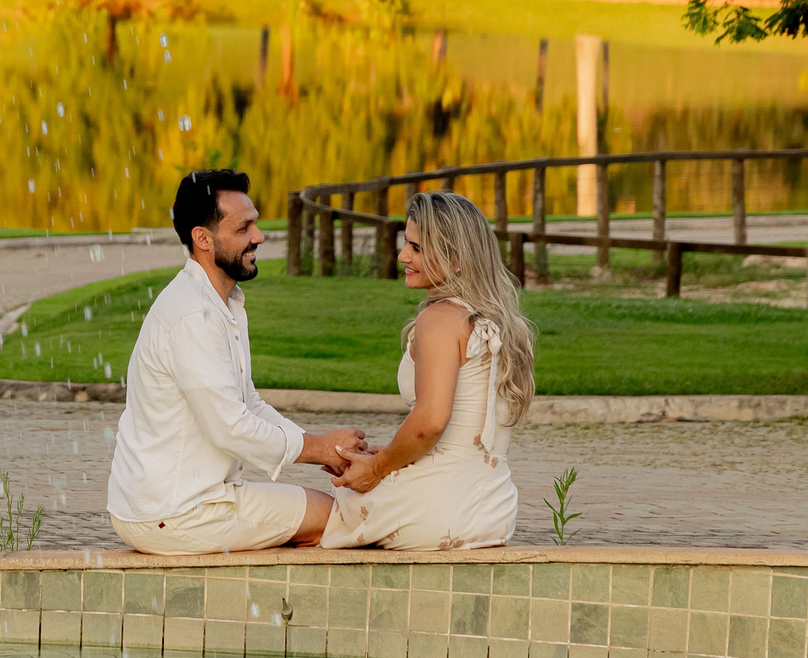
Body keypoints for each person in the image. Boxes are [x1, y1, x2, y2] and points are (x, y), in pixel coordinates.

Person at [105, 169, 365, 554]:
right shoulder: (193, 314)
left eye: (256, 224)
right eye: (244, 227)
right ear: (203, 238)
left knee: (328, 515)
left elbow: (248, 403)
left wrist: (329, 452)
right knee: (343, 520)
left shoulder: (219, 302)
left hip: (183, 503)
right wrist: (320, 449)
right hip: (173, 513)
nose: (259, 236)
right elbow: (231, 428)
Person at [317, 189, 534, 550]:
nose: (403, 255)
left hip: (439, 508)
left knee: (309, 520)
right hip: (494, 510)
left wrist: (378, 467)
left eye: (416, 248)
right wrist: (392, 453)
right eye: (407, 244)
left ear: (456, 257)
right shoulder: (498, 324)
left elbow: (432, 420)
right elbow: (462, 434)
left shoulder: (439, 319)